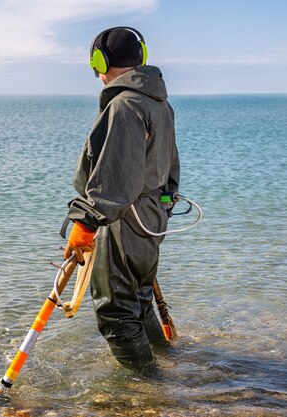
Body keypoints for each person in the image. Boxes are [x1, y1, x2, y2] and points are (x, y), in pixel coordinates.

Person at [63, 27, 179, 369]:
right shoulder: (159, 103)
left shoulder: (126, 105)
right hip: (150, 218)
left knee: (115, 312)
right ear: (140, 57)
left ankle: (146, 392)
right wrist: (163, 208)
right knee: (138, 299)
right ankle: (166, 367)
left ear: (99, 61)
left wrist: (85, 223)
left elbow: (116, 177)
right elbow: (172, 167)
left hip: (122, 220)